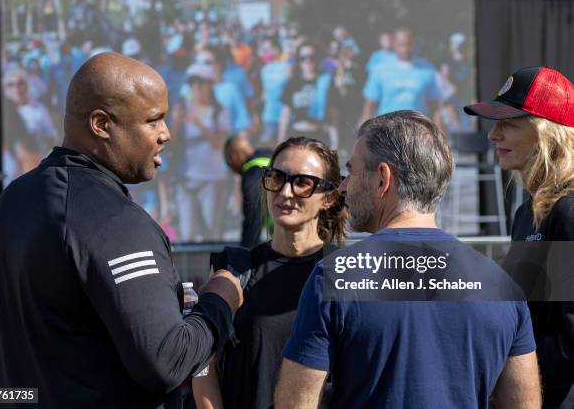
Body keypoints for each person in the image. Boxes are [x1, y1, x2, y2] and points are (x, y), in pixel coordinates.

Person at [0, 52, 243, 408]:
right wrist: (220, 299)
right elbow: (166, 362)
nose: (166, 134)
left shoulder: (11, 202)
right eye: (153, 120)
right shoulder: (113, 220)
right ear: (102, 124)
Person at [275, 111, 541, 408]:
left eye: (352, 171)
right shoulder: (503, 288)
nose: (343, 186)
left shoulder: (335, 277)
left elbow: (295, 404)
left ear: (383, 179)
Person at [193, 137, 347, 409]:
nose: (285, 192)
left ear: (329, 198)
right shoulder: (235, 267)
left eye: (302, 182)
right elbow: (204, 366)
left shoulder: (345, 271)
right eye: (277, 177)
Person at [464, 66, 574, 409]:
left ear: (547, 134)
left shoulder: (566, 212)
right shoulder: (528, 212)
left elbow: (569, 336)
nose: (493, 135)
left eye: (508, 124)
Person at [171, 63, 230, 242]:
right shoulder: (181, 108)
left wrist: (200, 124)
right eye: (192, 82)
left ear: (210, 84)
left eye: (200, 82)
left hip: (212, 179)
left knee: (211, 231)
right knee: (187, 233)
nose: (196, 87)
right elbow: (171, 143)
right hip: (186, 178)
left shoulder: (219, 111)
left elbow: (220, 143)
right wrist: (178, 122)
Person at [360, 28, 440, 123]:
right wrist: (365, 134)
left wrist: (438, 135)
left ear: (414, 44)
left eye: (408, 44)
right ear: (394, 44)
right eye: (401, 44)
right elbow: (369, 105)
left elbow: (435, 106)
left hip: (417, 129)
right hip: (387, 129)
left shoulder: (427, 69)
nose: (405, 48)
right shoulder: (380, 69)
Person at [278, 43, 336, 149]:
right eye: (303, 58)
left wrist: (335, 144)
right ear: (299, 61)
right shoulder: (292, 83)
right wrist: (280, 142)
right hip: (297, 137)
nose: (307, 61)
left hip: (320, 138)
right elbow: (285, 115)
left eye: (311, 57)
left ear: (318, 59)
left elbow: (333, 116)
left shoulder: (326, 82)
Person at [223, 136, 272, 248]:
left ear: (235, 156)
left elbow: (253, 216)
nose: (232, 169)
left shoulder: (252, 173)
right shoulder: (272, 157)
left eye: (228, 163)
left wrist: (246, 253)